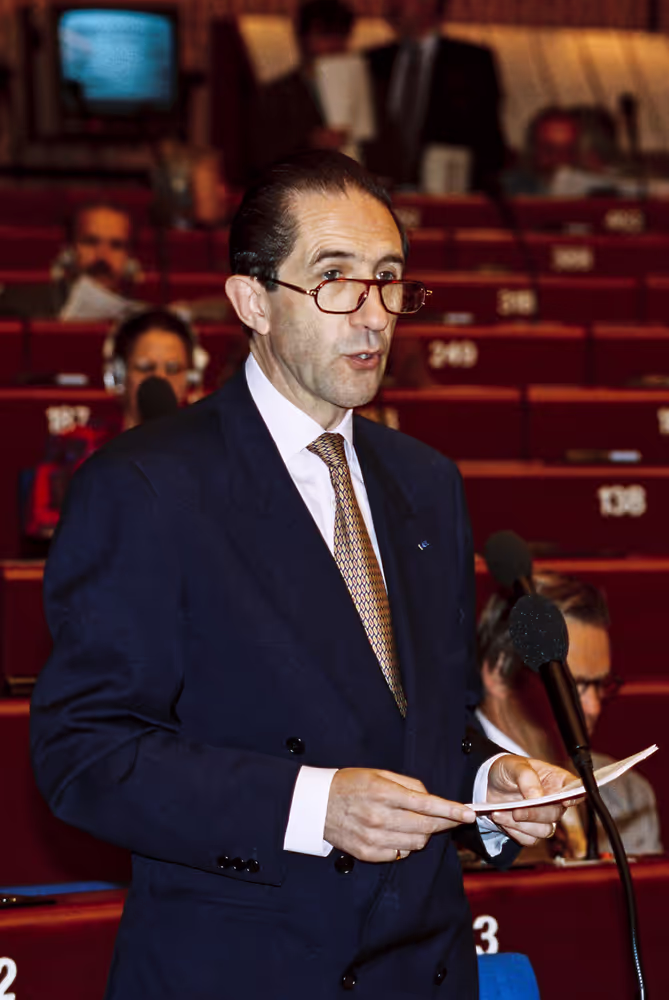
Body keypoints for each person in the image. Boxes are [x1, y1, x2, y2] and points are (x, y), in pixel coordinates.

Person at [31, 151, 575, 1000]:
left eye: (389, 281)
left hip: (421, 969)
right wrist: (309, 804)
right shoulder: (146, 486)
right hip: (243, 968)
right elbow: (85, 753)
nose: (372, 318)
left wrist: (486, 779)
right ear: (251, 300)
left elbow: (430, 721)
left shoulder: (425, 483)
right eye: (335, 281)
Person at [476, 571, 663, 858]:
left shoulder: (628, 797)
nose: (593, 707)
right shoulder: (443, 791)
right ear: (500, 672)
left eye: (601, 685)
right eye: (572, 685)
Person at [23, 308, 206, 540]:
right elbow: (45, 527)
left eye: (173, 369)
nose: (160, 380)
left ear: (190, 379)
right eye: (146, 368)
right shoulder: (76, 446)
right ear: (118, 375)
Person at [365, 0, 506, 192]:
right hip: (381, 190)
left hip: (450, 190)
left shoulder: (472, 61)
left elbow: (487, 134)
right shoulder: (373, 60)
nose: (393, 5)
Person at [248, 0, 375, 174]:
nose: (334, 45)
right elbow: (261, 160)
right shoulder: (277, 94)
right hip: (301, 188)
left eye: (341, 36)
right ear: (302, 38)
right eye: (324, 35)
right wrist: (309, 144)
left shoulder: (363, 90)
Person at [0, 202, 140, 320]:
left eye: (116, 245)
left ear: (129, 257)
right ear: (68, 250)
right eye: (90, 242)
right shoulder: (18, 306)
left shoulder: (142, 319)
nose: (102, 256)